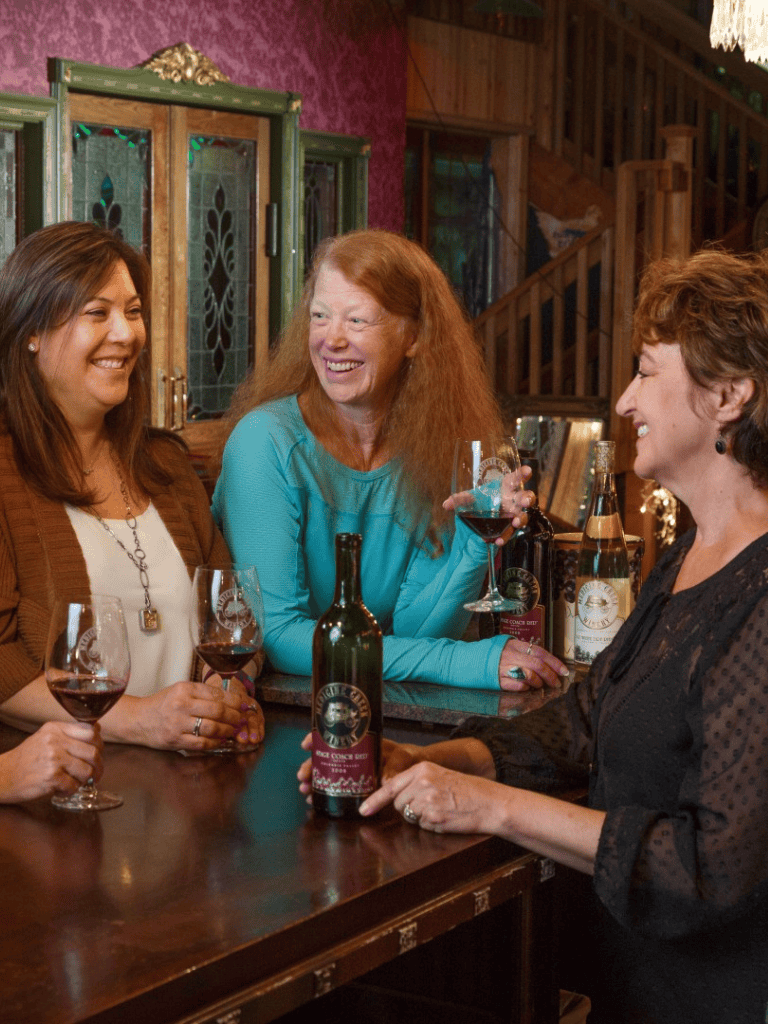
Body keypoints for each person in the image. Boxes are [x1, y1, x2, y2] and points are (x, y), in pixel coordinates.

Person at [303, 249, 768, 1023]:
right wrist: (432, 761)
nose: (624, 400)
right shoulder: (692, 553)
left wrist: (489, 806)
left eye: (647, 372)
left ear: (728, 396)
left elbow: (706, 871)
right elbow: (584, 721)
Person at [213, 229, 568, 691]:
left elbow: (418, 631)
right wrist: (463, 662)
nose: (331, 339)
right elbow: (277, 637)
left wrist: (475, 538)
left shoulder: (433, 449)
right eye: (319, 316)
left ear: (415, 336)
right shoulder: (264, 443)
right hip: (282, 712)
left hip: (381, 704)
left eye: (357, 321)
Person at [0, 221, 264, 758]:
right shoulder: (6, 477)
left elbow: (234, 618)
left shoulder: (165, 463)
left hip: (188, 799)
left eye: (134, 311)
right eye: (97, 313)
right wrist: (139, 720)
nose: (125, 334)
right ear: (31, 332)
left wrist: (225, 691)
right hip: (65, 801)